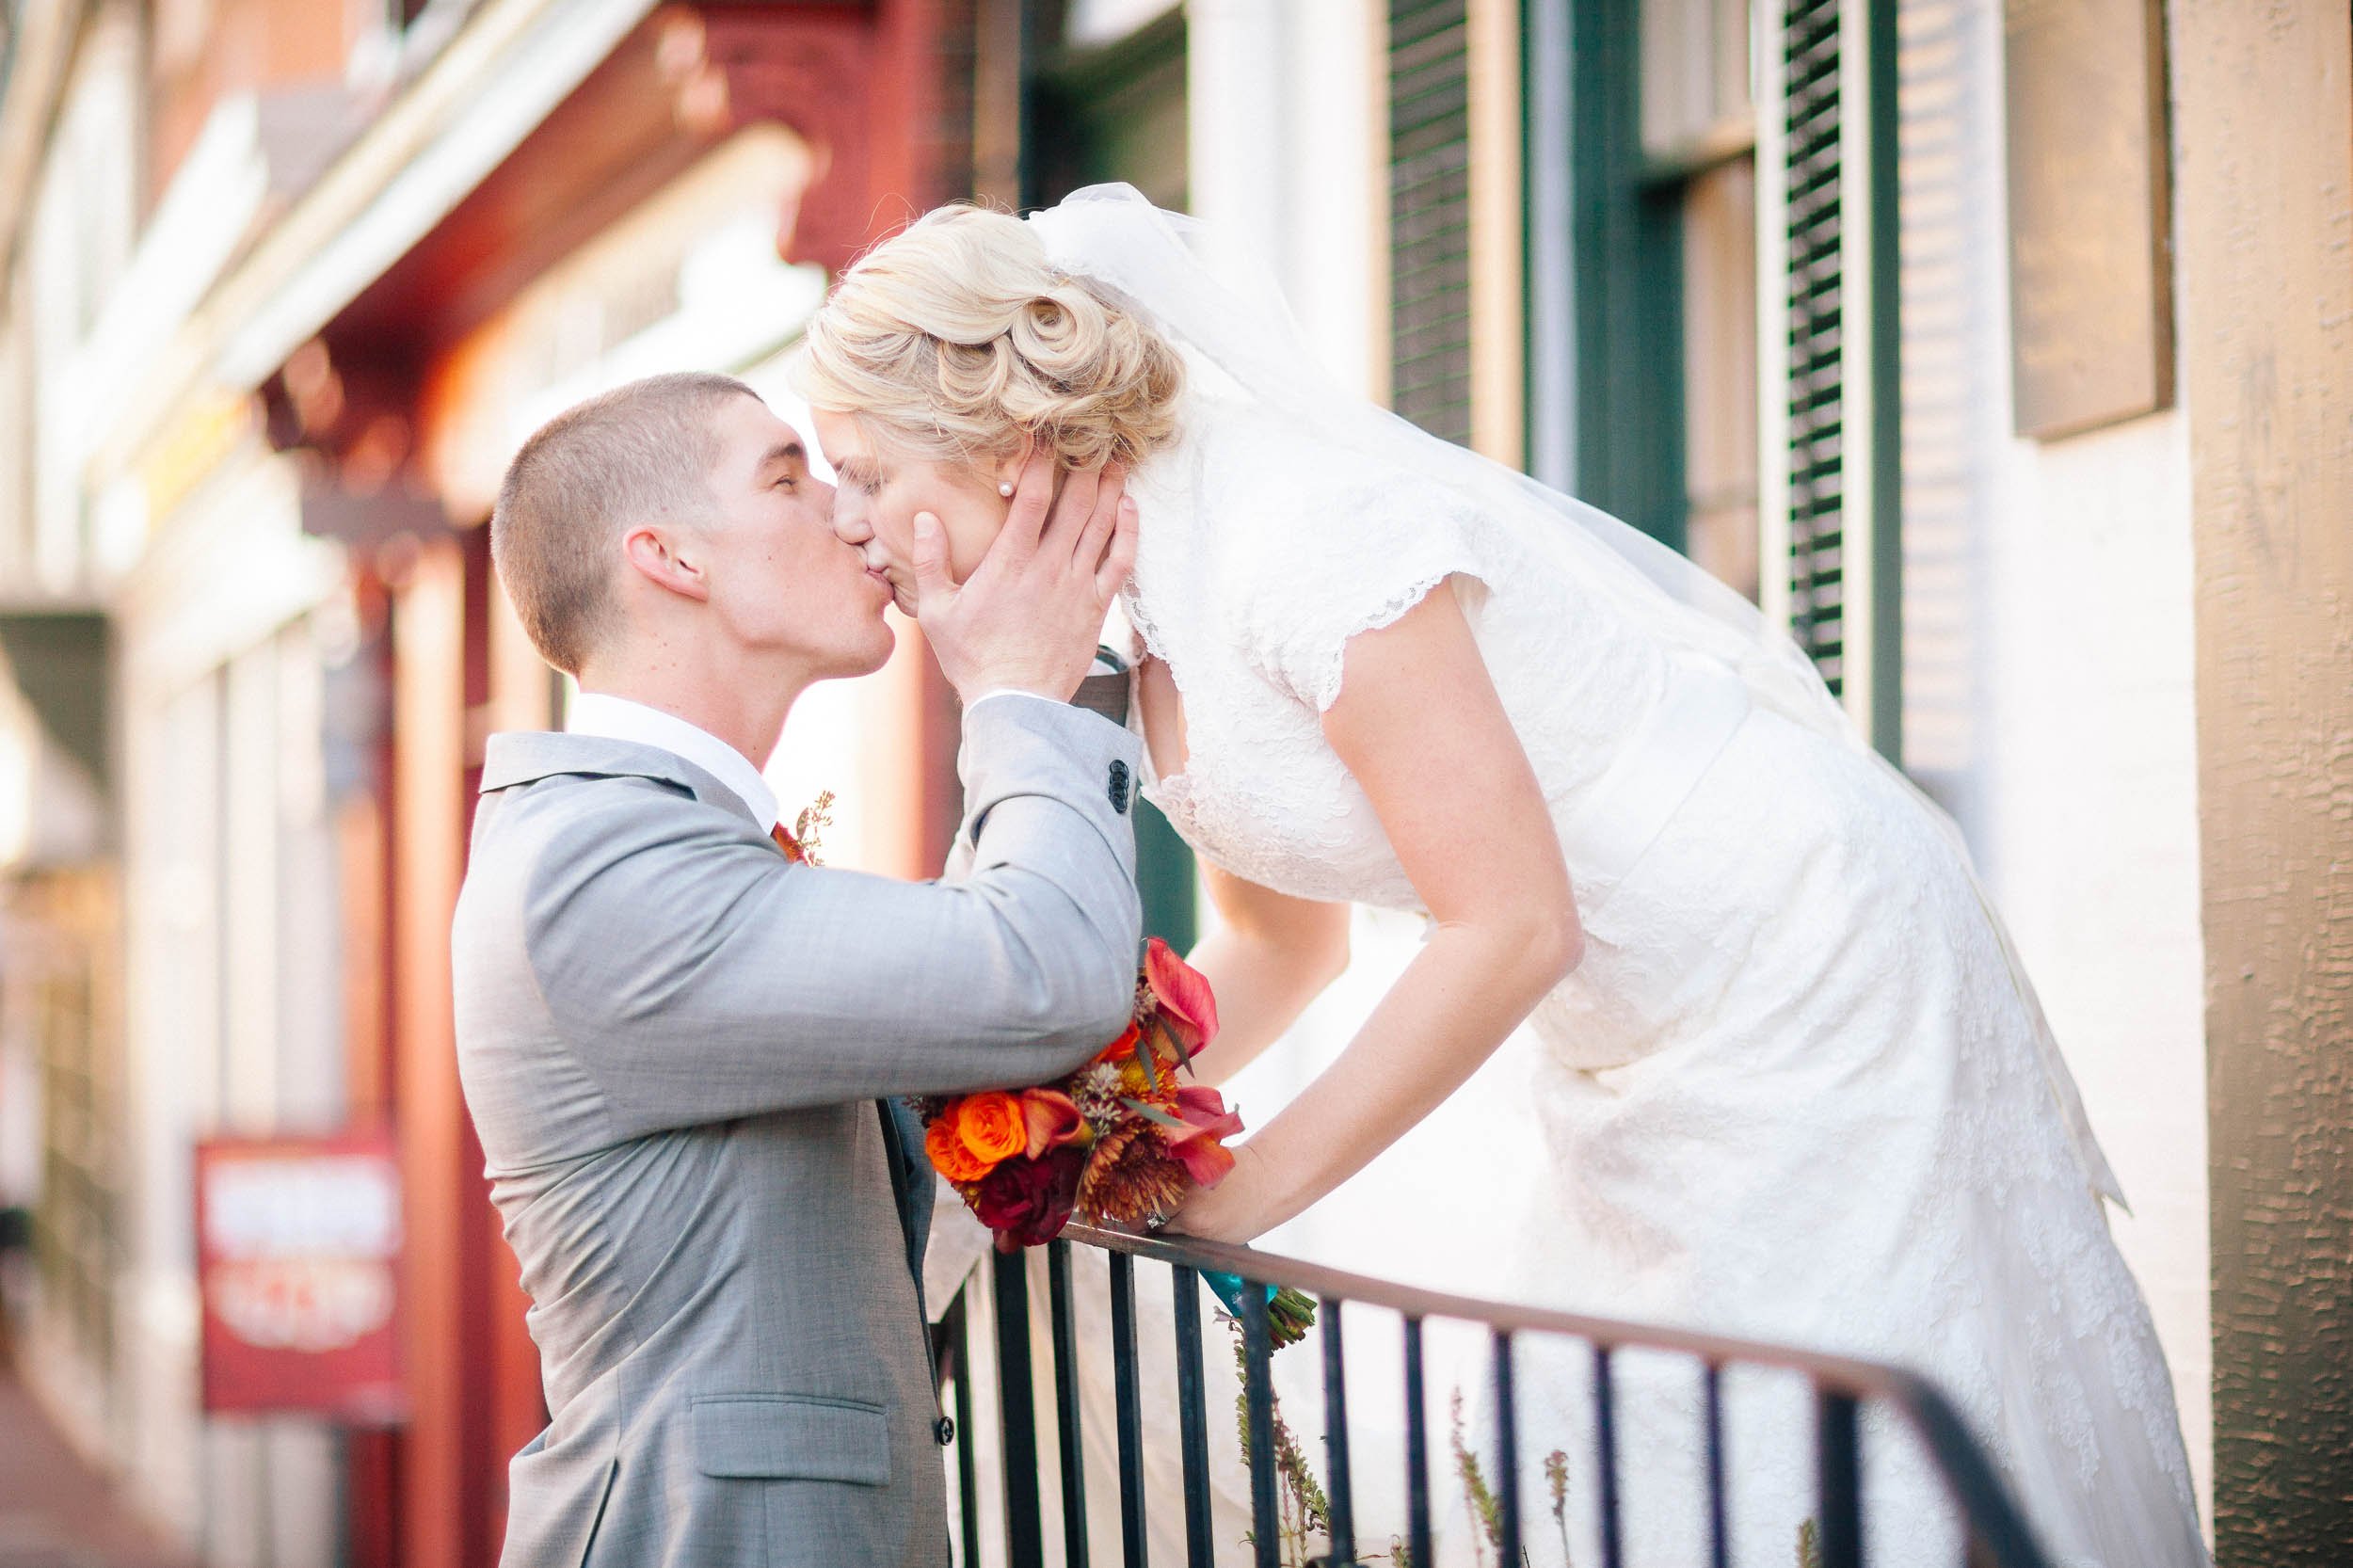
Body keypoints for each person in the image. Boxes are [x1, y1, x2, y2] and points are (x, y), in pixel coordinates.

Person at [792, 186, 2210, 1567]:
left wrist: (1237, 1197)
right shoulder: (1128, 607)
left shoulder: (1299, 540)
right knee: (1644, 1442)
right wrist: (1096, 1128)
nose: (850, 523)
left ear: (1004, 439)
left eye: (863, 474)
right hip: (1621, 1023)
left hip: (1801, 953)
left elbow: (1512, 922)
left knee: (1814, 1423)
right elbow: (1286, 945)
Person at [452, 371, 1144, 1566]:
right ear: (670, 558)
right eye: (788, 478)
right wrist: (1017, 695)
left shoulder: (636, 837)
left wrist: (1055, 670)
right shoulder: (596, 867)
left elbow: (973, 974)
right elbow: (1038, 974)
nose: (849, 513)